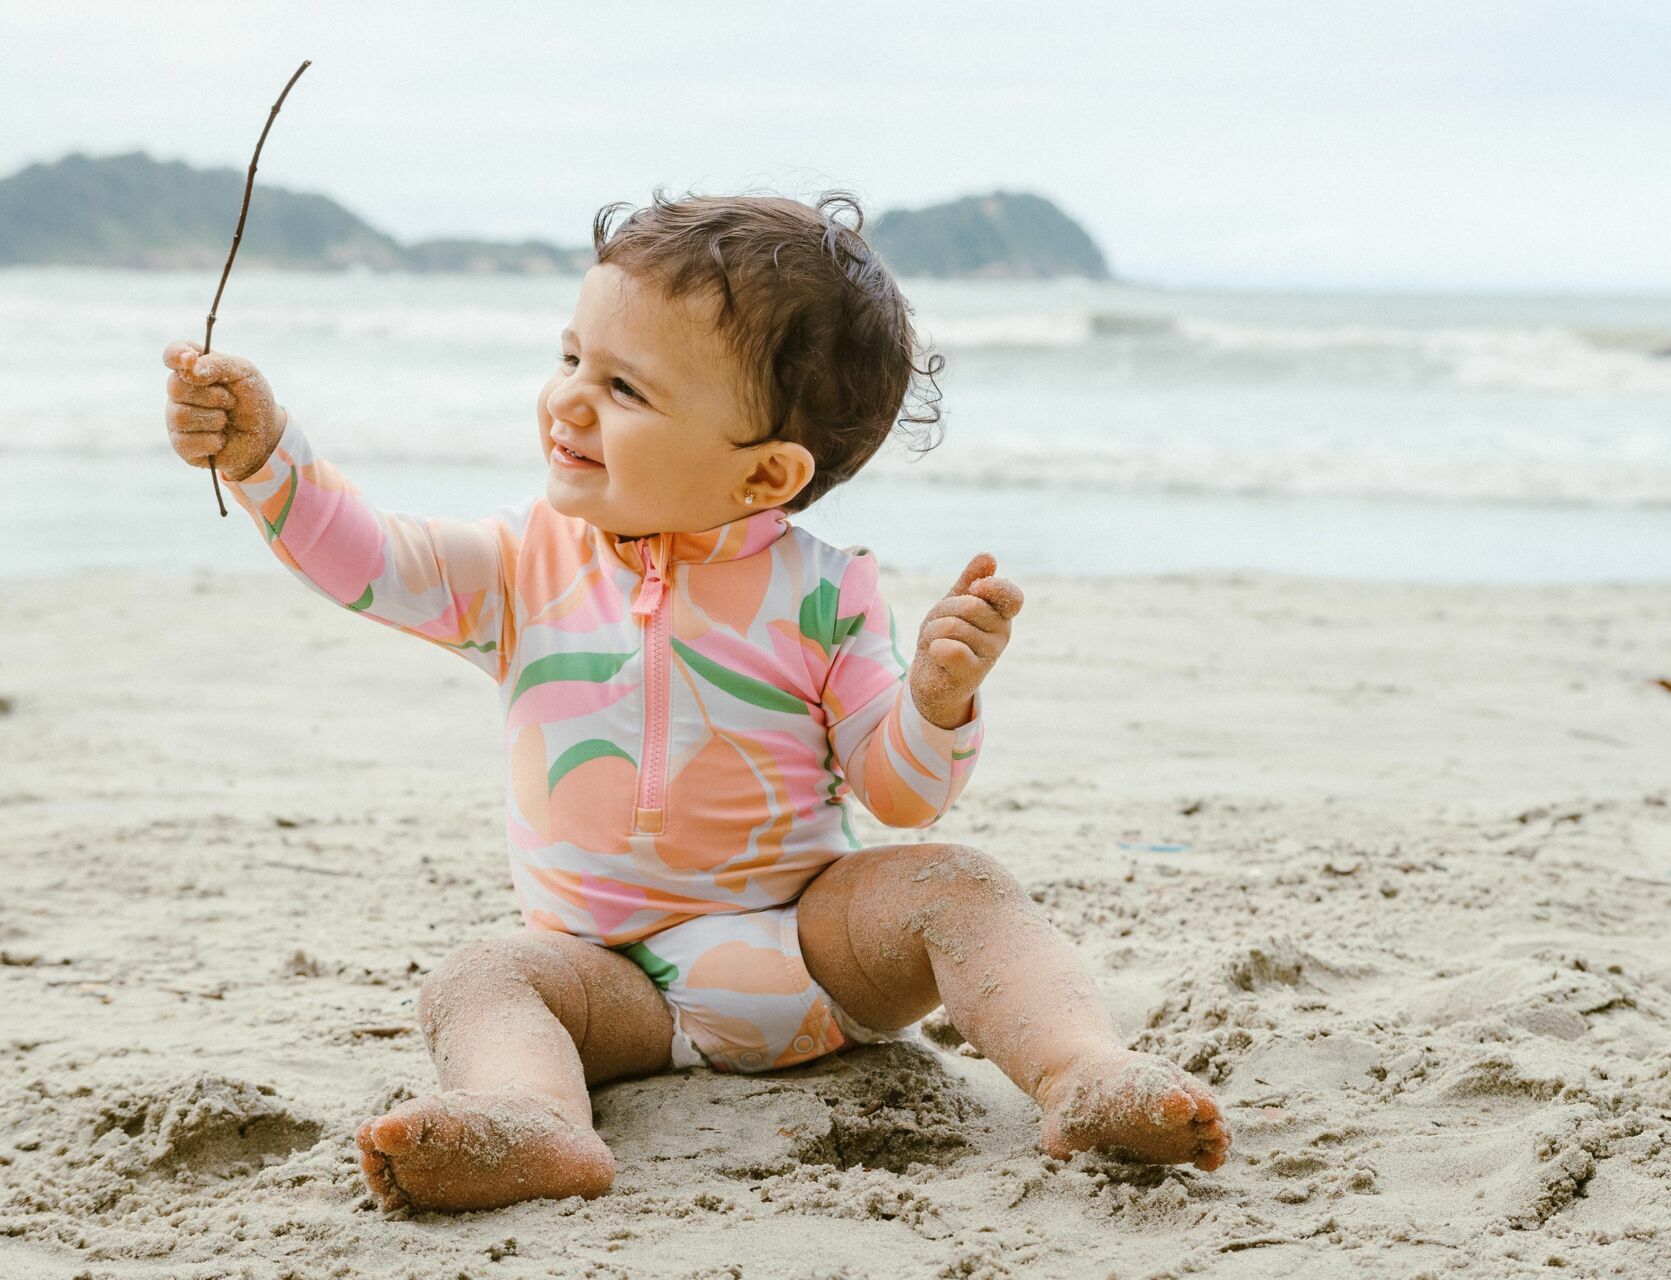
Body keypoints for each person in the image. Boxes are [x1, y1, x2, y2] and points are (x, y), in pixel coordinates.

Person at [161, 190, 1231, 1213]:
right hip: (608, 975)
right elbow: (371, 560)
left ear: (766, 477)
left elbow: (899, 795)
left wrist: (936, 704)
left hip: (815, 945)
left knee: (961, 885)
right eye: (572, 356)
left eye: (624, 388)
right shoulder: (521, 564)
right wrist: (267, 459)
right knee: (479, 974)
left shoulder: (827, 591)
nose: (568, 398)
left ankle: (1082, 1068)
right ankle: (532, 1116)